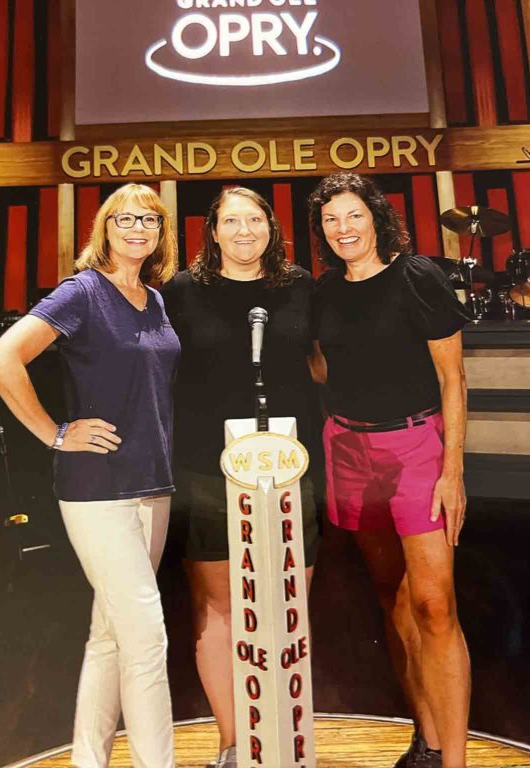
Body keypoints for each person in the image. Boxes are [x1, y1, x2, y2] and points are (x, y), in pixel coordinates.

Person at [0, 183, 180, 768]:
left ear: (161, 230)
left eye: (149, 218)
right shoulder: (83, 291)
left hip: (152, 482)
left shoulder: (153, 297)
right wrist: (55, 431)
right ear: (105, 227)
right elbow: (2, 359)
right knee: (146, 641)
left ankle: (89, 761)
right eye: (125, 218)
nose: (137, 227)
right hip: (97, 489)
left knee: (111, 636)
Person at [307, 172, 471, 768]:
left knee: (434, 604)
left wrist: (452, 471)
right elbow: (325, 368)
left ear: (375, 217)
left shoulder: (417, 277)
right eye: (330, 219)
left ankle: (454, 760)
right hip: (349, 450)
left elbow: (454, 379)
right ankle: (425, 738)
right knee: (391, 597)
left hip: (416, 449)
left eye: (353, 215)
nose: (343, 228)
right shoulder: (324, 292)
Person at [161, 187, 321, 768]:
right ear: (213, 231)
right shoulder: (182, 290)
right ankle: (233, 743)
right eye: (232, 220)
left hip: (289, 466)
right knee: (220, 607)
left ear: (271, 228)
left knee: (289, 603)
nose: (245, 230)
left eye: (255, 219)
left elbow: (324, 361)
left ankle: (284, 735)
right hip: (206, 463)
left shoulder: (300, 286)